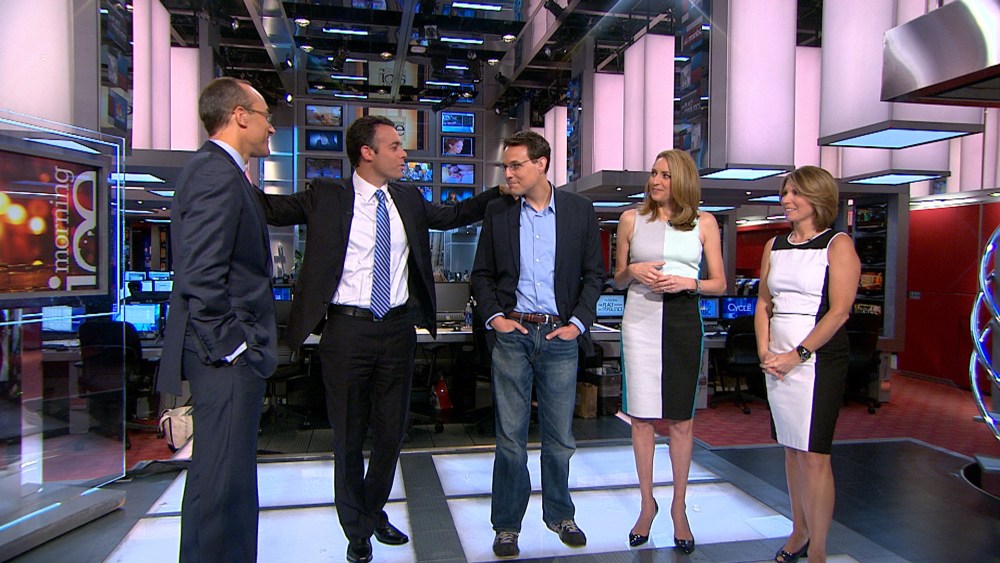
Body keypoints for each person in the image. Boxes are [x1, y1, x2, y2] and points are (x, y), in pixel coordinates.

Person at [256, 115, 507, 563]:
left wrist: (498, 192)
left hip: (396, 329)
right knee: (348, 436)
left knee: (391, 433)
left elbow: (452, 216)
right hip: (346, 330)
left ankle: (371, 510)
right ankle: (356, 530)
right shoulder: (326, 195)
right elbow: (270, 209)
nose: (404, 153)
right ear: (367, 153)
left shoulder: (407, 198)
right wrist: (232, 163)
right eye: (394, 146)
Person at [158, 77, 278, 563]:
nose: (272, 127)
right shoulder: (215, 172)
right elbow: (201, 274)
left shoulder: (223, 172)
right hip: (223, 358)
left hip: (226, 355)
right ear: (240, 115)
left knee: (223, 481)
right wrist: (233, 347)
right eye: (266, 116)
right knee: (221, 487)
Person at [471, 130, 604, 559]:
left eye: (516, 165)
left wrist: (578, 324)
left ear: (541, 164)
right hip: (514, 334)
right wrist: (496, 319)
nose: (508, 174)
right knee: (510, 438)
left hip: (560, 335)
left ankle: (560, 514)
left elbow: (594, 275)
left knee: (559, 436)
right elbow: (481, 275)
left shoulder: (579, 211)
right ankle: (507, 526)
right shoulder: (498, 212)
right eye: (505, 166)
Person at [613, 149, 726, 554]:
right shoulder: (631, 219)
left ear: (682, 180)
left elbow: (720, 283)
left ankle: (679, 507)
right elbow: (618, 278)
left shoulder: (704, 223)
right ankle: (648, 505)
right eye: (653, 174)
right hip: (639, 321)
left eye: (665, 175)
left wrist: (688, 283)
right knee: (641, 418)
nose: (655, 181)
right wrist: (632, 271)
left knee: (681, 420)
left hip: (682, 320)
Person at [755, 166, 860, 563]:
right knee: (792, 449)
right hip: (777, 358)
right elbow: (764, 302)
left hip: (817, 360)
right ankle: (798, 532)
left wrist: (796, 355)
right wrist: (765, 350)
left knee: (814, 454)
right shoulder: (774, 245)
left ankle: (818, 550)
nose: (787, 200)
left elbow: (839, 312)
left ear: (818, 198)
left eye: (795, 193)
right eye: (785, 192)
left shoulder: (838, 245)